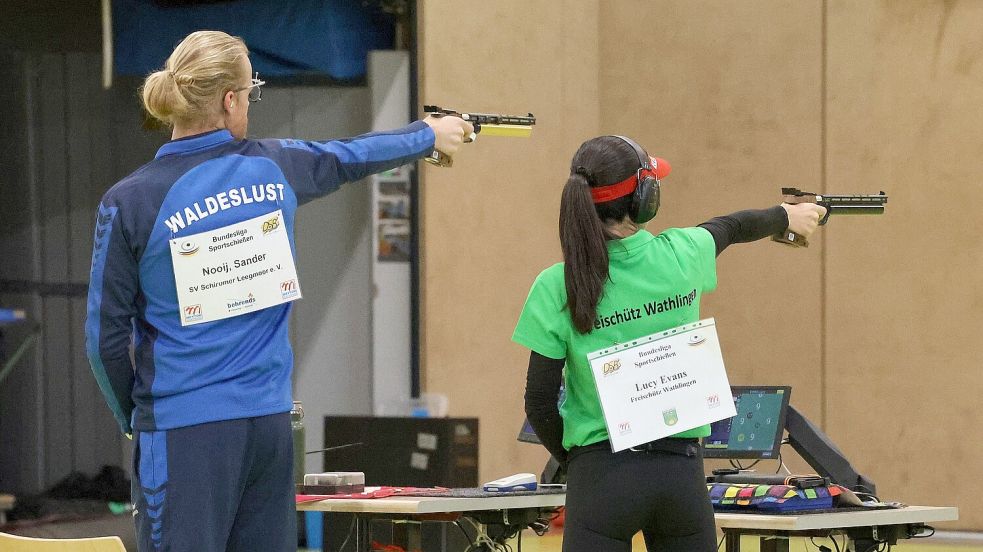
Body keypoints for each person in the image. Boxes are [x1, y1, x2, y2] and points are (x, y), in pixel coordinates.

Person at [84, 30, 473, 552]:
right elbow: (352, 154)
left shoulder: (129, 201)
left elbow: (103, 339)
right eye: (252, 92)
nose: (251, 103)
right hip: (269, 428)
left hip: (184, 431)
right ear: (229, 101)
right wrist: (427, 135)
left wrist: (133, 414)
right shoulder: (275, 167)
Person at [512, 135, 826, 552]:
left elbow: (539, 402)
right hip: (680, 477)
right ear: (644, 198)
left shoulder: (556, 284)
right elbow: (733, 226)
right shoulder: (683, 254)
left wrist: (579, 461)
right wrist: (786, 216)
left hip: (600, 474)